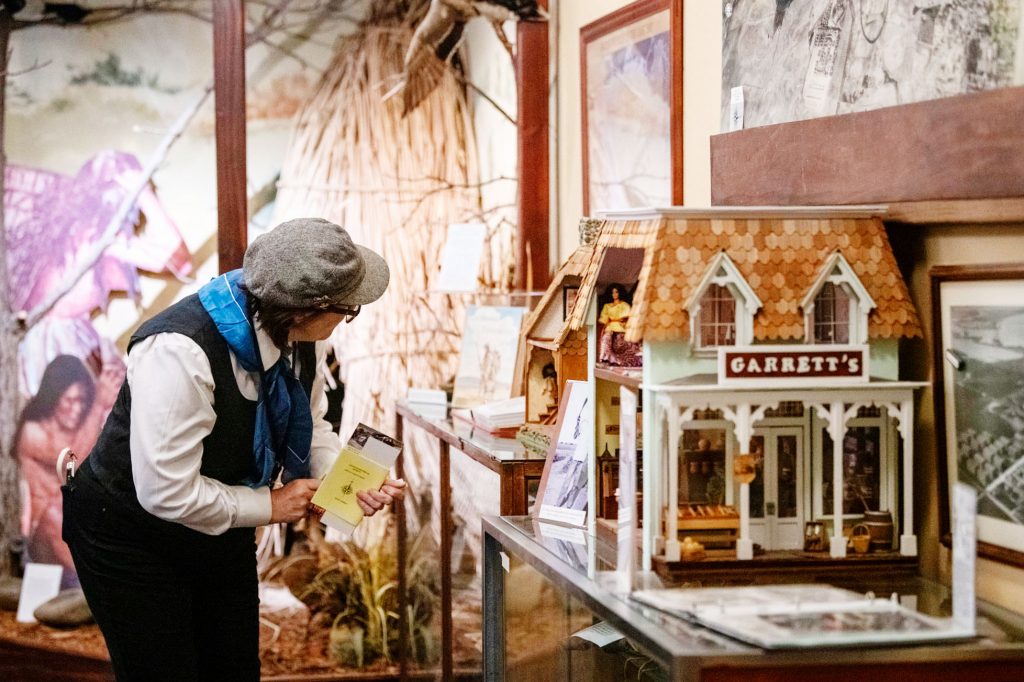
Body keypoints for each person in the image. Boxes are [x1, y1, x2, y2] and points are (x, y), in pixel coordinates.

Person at [62, 217, 406, 681]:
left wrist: (336, 482)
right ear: (305, 309)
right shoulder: (179, 351)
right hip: (129, 532)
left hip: (219, 525)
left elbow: (312, 421)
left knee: (234, 666)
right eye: (349, 309)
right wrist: (271, 503)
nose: (347, 320)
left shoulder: (302, 337)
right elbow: (165, 492)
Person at [16, 354, 118, 582]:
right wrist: (99, 404)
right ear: (53, 399)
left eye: (82, 400)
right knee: (54, 512)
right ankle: (101, 583)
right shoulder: (33, 431)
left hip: (75, 530)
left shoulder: (80, 427)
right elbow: (74, 462)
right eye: (69, 400)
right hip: (40, 539)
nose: (76, 408)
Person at [597, 283, 642, 367]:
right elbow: (604, 319)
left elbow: (628, 317)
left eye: (616, 292)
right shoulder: (607, 306)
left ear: (620, 293)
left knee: (628, 342)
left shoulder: (624, 305)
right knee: (606, 338)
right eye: (612, 292)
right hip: (611, 326)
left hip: (621, 326)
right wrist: (606, 325)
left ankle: (629, 360)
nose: (614, 294)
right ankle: (605, 358)